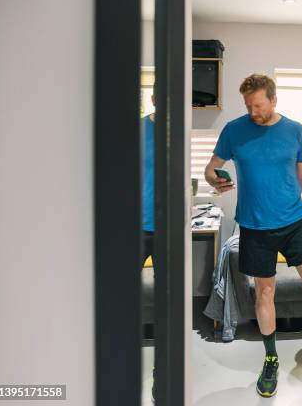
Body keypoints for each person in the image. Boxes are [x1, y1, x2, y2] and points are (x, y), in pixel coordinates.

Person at [204, 73, 302, 398]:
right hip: (254, 226)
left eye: (258, 105)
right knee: (264, 293)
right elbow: (210, 167)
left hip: (293, 221)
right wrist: (213, 179)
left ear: (273, 100)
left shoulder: (294, 131)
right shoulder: (234, 130)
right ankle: (271, 358)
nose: (253, 111)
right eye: (248, 105)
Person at [141, 89, 157, 402]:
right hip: (137, 225)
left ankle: (162, 377)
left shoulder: (181, 132)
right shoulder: (138, 128)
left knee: (167, 298)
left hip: (171, 229)